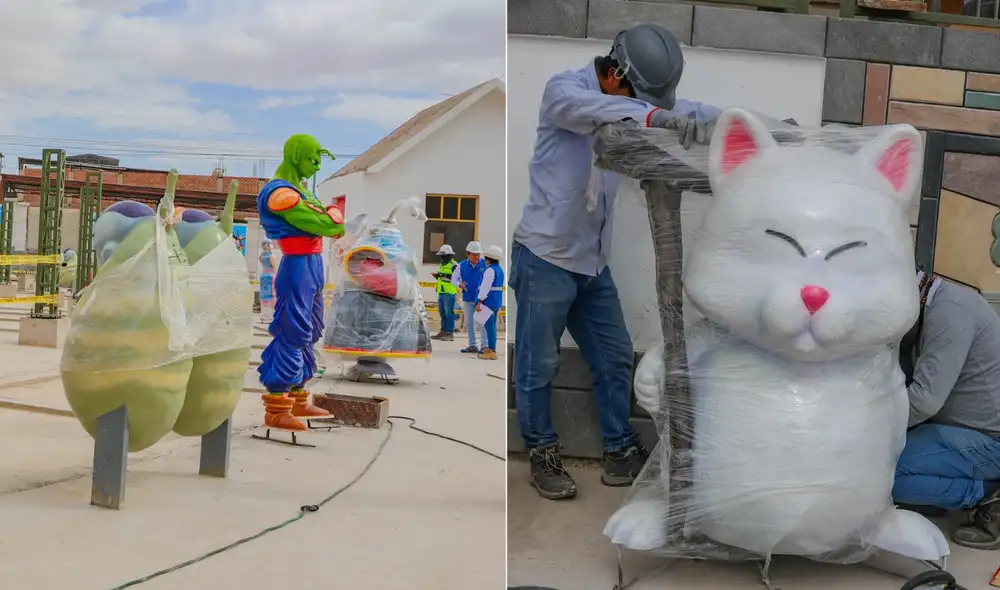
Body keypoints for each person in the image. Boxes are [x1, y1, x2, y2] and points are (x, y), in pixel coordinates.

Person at [510, 23, 723, 500]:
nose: (644, 109)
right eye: (638, 99)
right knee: (538, 365)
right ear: (613, 74)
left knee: (613, 359)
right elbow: (599, 110)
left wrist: (747, 124)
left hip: (592, 264)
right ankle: (542, 453)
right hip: (544, 258)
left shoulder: (629, 98)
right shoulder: (564, 91)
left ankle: (620, 451)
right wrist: (654, 116)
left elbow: (686, 111)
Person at [893, 271, 1000, 550]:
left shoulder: (950, 313)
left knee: (883, 472)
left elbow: (924, 401)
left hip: (992, 441)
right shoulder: (935, 304)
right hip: (966, 427)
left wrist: (867, 431)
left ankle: (986, 494)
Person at [256, 134, 342, 432]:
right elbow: (330, 224)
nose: (317, 165)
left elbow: (333, 223)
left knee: (312, 328)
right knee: (292, 329)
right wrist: (331, 216)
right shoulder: (279, 193)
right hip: (296, 264)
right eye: (313, 158)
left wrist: (331, 218)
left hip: (313, 264)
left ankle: (298, 396)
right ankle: (277, 406)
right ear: (295, 156)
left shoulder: (301, 192)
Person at [452, 241, 487, 353]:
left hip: (481, 300)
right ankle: (472, 345)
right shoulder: (462, 265)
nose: (477, 257)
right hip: (468, 298)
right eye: (474, 254)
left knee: (482, 322)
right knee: (470, 323)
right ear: (468, 253)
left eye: (478, 254)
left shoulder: (485, 264)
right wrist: (459, 285)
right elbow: (454, 279)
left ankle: (485, 346)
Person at [476, 245, 505, 361]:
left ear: (488, 259)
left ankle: (492, 350)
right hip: (496, 301)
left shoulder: (490, 270)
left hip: (489, 301)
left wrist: (479, 301)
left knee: (489, 327)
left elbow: (485, 287)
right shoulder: (499, 270)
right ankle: (491, 349)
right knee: (492, 326)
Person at [431, 244, 459, 341]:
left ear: (448, 255)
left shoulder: (454, 265)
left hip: (449, 293)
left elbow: (456, 278)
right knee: (442, 313)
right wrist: (438, 275)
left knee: (449, 313)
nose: (441, 257)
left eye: (443, 255)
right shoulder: (443, 264)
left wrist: (443, 275)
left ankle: (449, 333)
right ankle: (443, 331)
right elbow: (443, 277)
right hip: (441, 292)